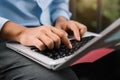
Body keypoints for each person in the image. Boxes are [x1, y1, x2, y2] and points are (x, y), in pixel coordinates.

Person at [0, 0, 87, 80]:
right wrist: (20, 32)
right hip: (6, 38)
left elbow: (58, 2)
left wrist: (60, 20)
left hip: (51, 32)